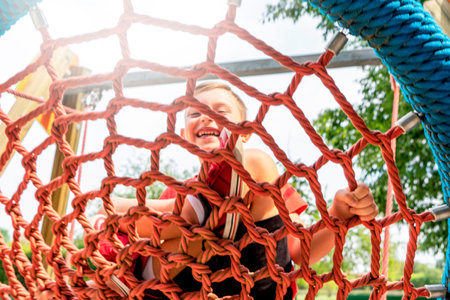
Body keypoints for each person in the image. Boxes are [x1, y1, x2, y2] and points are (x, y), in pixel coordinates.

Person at [87, 82, 379, 299]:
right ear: (184, 135)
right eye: (194, 114)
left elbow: (299, 251)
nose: (205, 117)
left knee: (256, 163)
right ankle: (193, 217)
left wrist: (338, 215)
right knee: (131, 223)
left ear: (245, 131)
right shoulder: (173, 192)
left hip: (257, 281)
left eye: (220, 111)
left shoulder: (260, 173)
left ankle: (195, 213)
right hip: (192, 286)